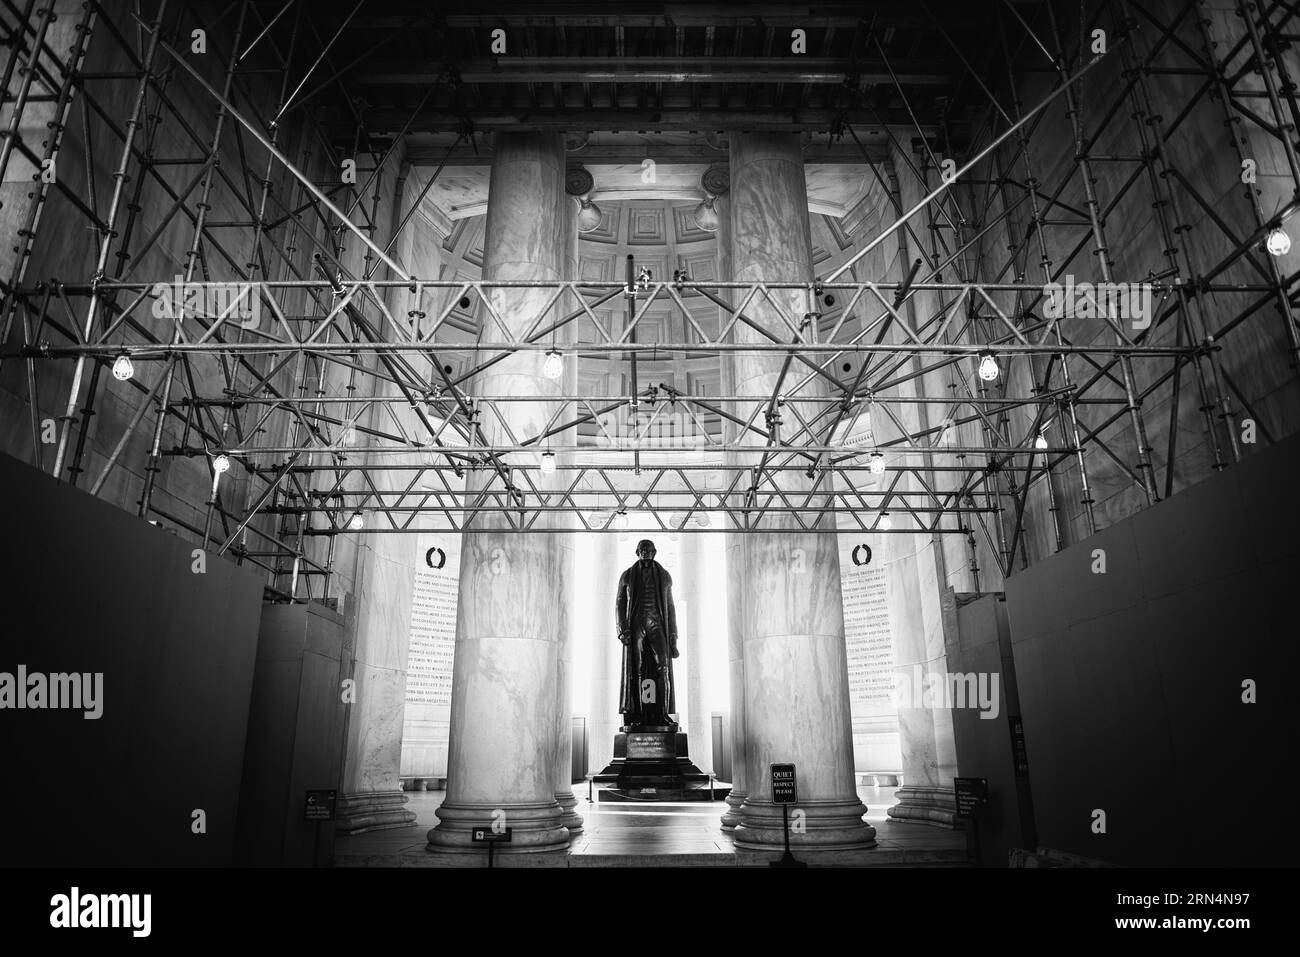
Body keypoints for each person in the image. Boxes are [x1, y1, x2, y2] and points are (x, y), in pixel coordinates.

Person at [614, 539, 679, 728]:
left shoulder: (664, 576)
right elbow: (619, 603)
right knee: (639, 670)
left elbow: (670, 607)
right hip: (637, 624)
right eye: (642, 550)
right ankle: (639, 715)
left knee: (663, 668)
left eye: (648, 549)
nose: (645, 552)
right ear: (637, 552)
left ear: (655, 552)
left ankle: (662, 713)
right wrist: (621, 629)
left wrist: (673, 637)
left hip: (657, 623)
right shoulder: (627, 576)